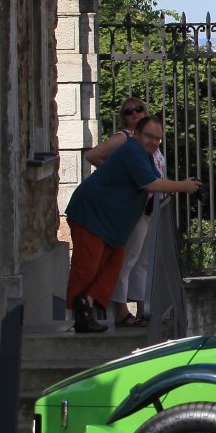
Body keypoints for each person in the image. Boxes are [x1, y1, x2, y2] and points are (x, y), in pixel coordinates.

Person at [65, 115, 202, 333]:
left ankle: (86, 305)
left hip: (112, 223)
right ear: (136, 134)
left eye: (158, 139)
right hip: (91, 215)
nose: (153, 142)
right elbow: (151, 184)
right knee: (87, 266)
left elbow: (153, 181)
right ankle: (79, 315)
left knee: (113, 265)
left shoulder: (144, 155)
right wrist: (183, 186)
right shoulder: (132, 151)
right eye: (149, 136)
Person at [83, 97, 163, 328]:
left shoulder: (148, 140)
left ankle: (143, 308)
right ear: (124, 118)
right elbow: (92, 155)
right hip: (134, 208)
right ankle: (121, 311)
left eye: (138, 109)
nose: (134, 113)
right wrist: (120, 177)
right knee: (126, 260)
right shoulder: (124, 138)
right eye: (129, 112)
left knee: (142, 262)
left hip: (149, 208)